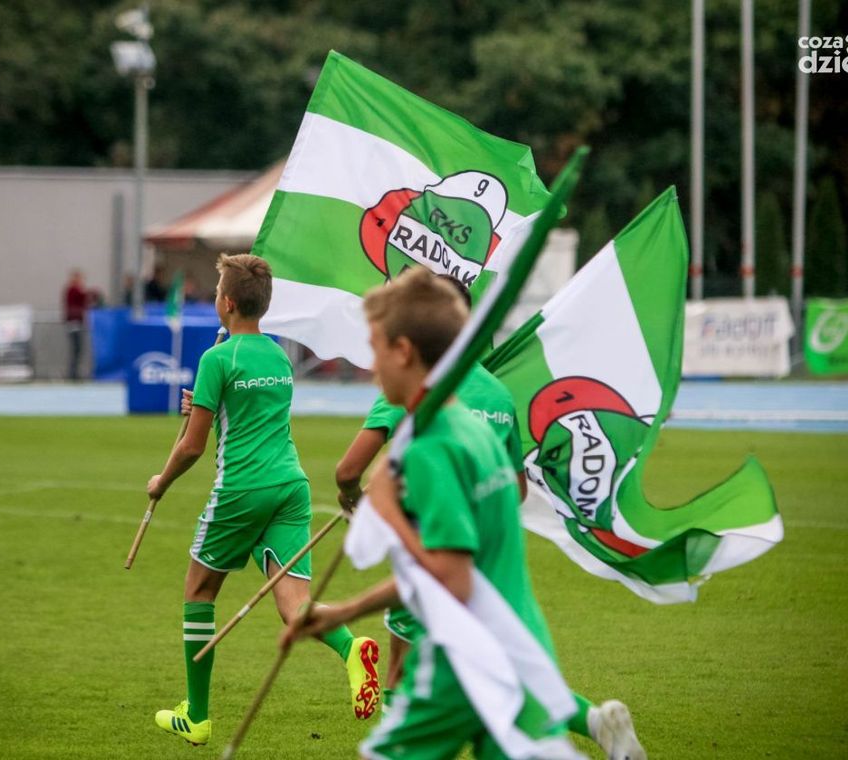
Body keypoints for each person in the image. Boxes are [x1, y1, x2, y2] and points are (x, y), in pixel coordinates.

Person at [284, 268, 645, 760]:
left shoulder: (428, 445)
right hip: (509, 632)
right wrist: (346, 612)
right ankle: (593, 722)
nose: (371, 367)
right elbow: (495, 519)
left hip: (454, 655)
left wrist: (388, 513)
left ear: (404, 351)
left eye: (376, 349)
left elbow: (448, 580)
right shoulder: (481, 421)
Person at [147, 253, 381, 747]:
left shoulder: (217, 359)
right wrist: (204, 403)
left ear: (227, 304)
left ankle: (197, 716)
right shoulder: (277, 356)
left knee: (199, 593)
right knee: (294, 604)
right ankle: (351, 647)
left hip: (242, 489)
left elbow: (193, 446)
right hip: (291, 487)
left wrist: (161, 482)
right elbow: (247, 409)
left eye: (217, 293)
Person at [335, 275, 529, 696]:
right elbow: (517, 489)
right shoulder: (498, 394)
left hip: (431, 541)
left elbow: (348, 471)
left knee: (404, 675)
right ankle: (591, 719)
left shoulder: (414, 387)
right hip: (488, 553)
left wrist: (359, 503)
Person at [63, 269, 90, 381]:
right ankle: (73, 373)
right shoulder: (73, 290)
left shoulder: (76, 291)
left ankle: (74, 372)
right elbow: (81, 299)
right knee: (76, 349)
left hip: (77, 323)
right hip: (74, 323)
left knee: (78, 350)